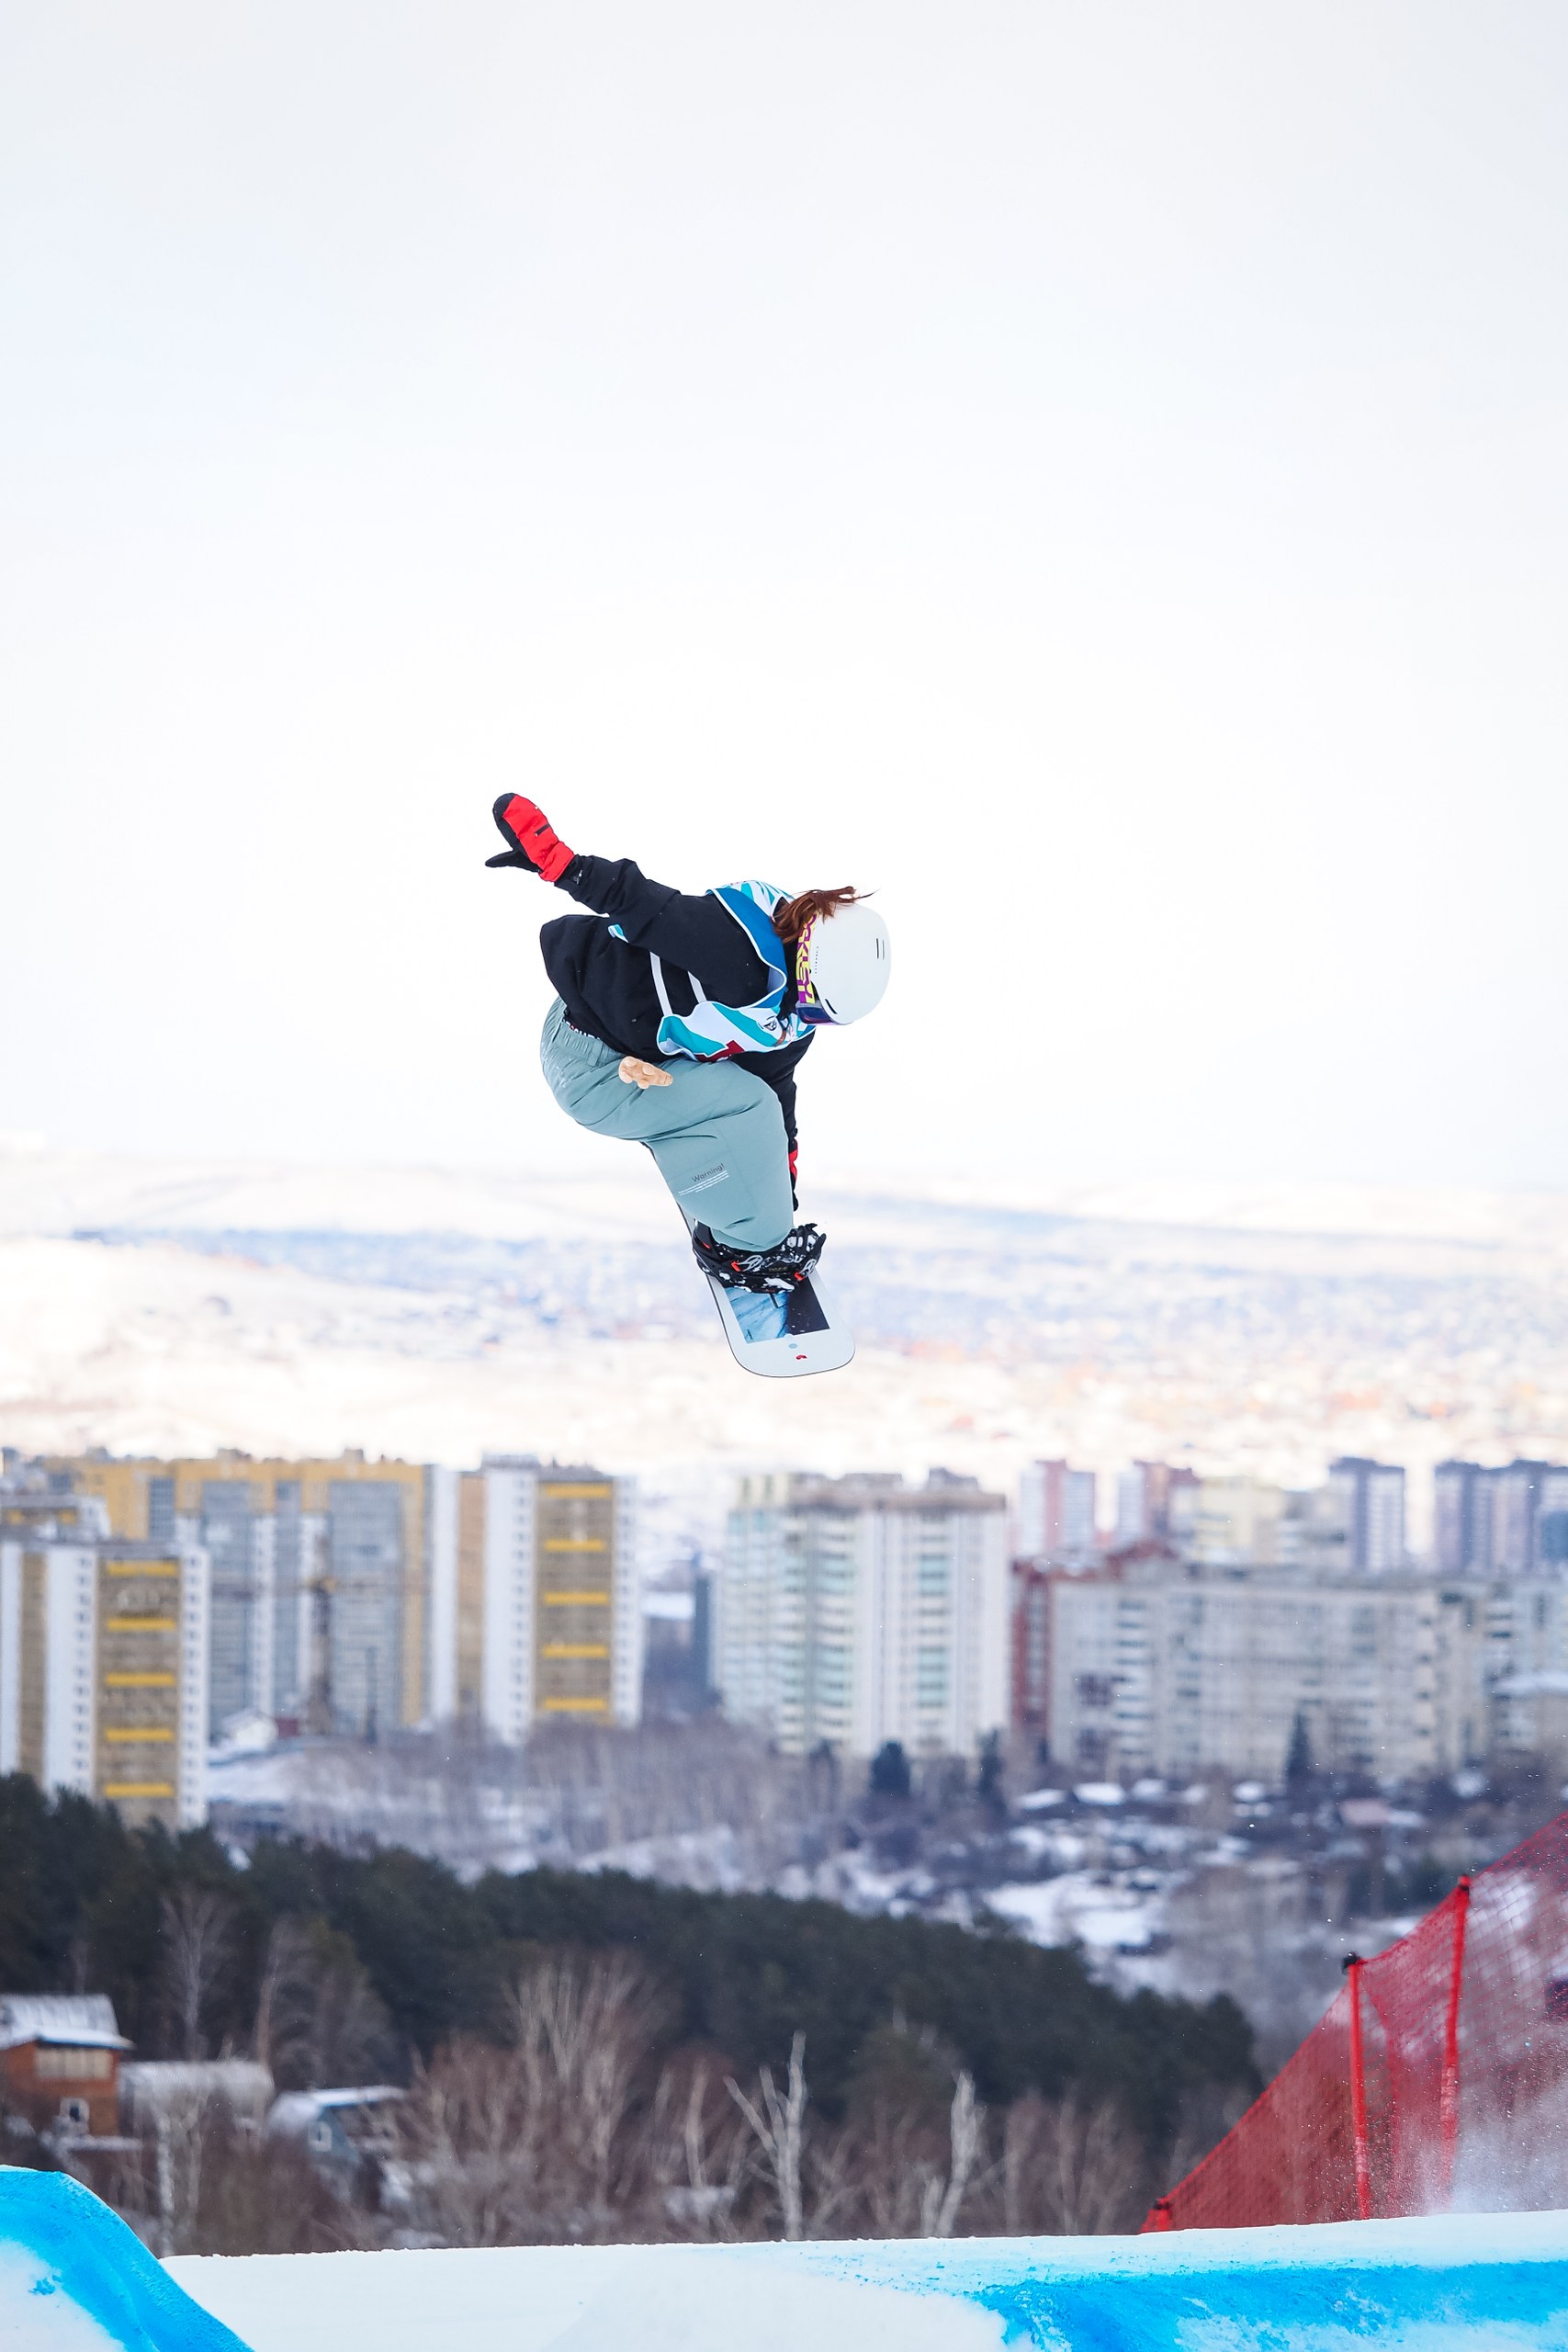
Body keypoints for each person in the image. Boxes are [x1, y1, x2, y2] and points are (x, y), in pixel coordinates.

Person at [486, 793, 891, 1324]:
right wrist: (558, 862)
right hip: (589, 1066)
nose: (809, 1020)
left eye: (824, 1017)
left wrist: (782, 1177)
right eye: (815, 1004)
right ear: (809, 965)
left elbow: (778, 1091)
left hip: (611, 1045)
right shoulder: (741, 956)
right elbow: (642, 903)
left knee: (759, 1109)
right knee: (747, 1110)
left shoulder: (787, 1016)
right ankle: (742, 1252)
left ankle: (751, 1214)